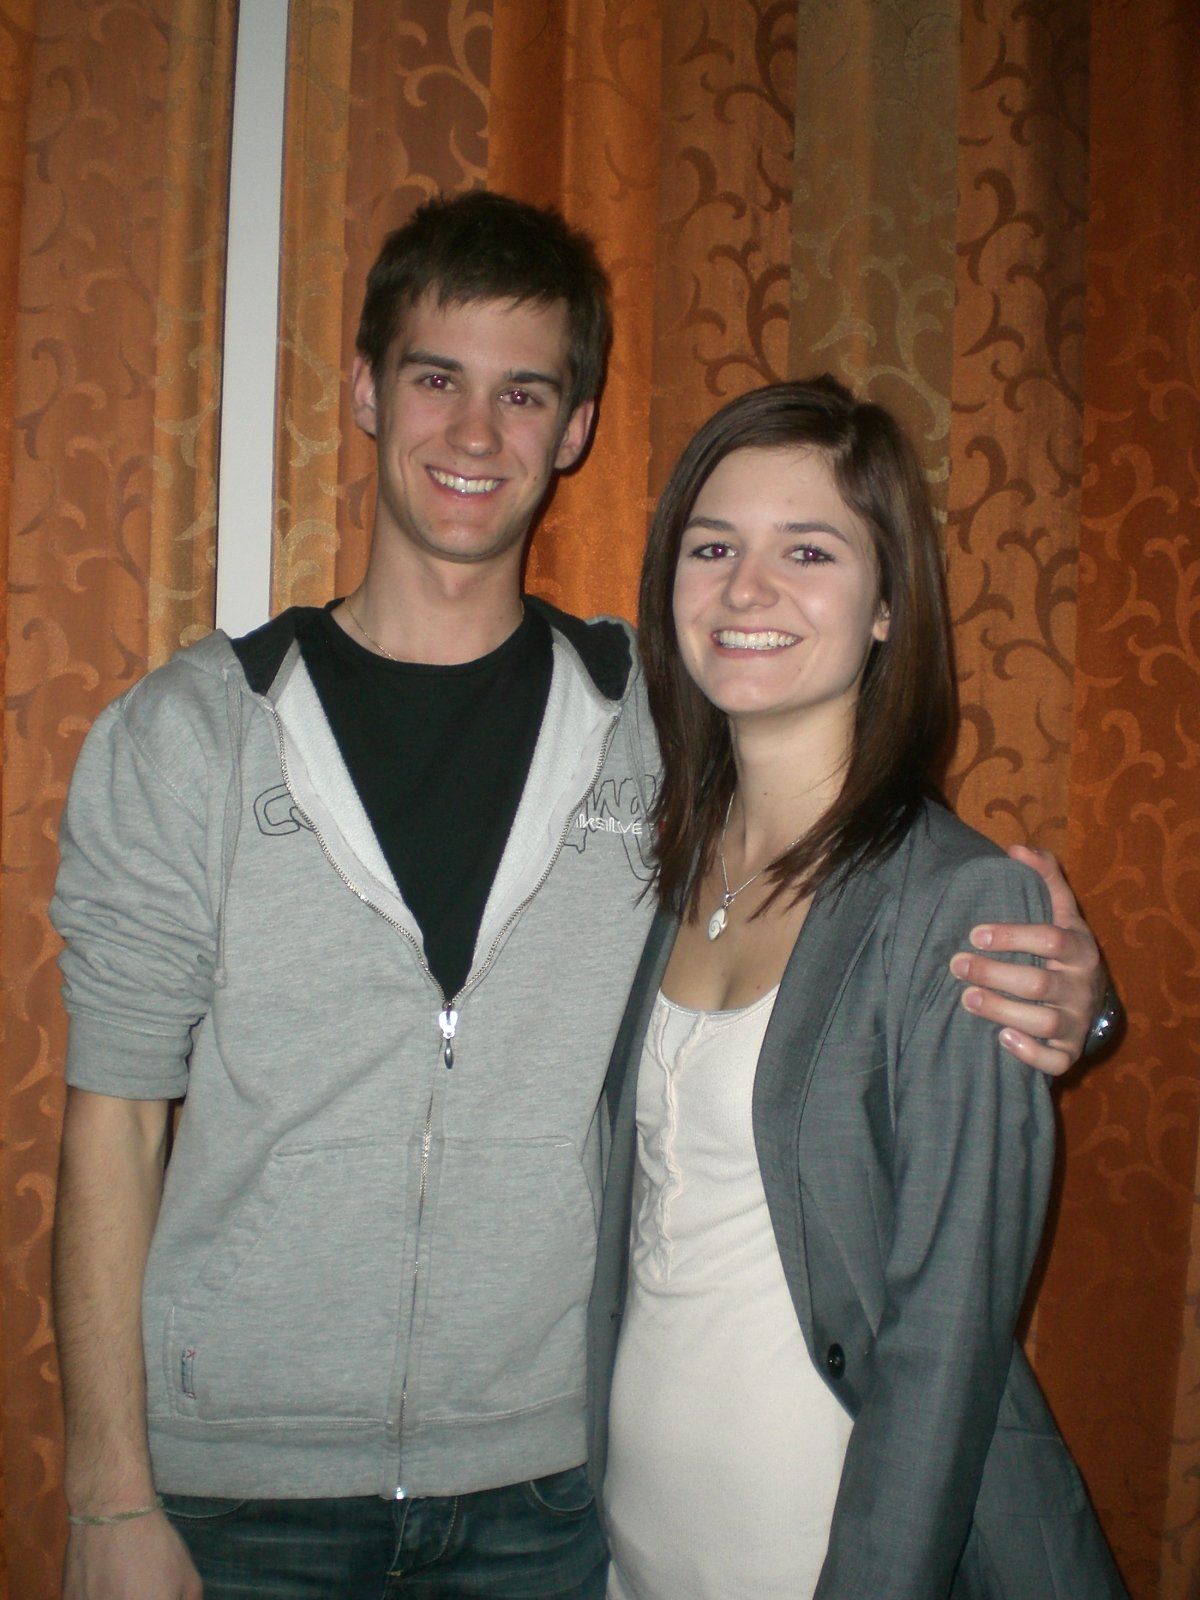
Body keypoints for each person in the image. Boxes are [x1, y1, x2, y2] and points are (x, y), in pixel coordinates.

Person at [51, 193, 1109, 1600]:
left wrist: (1071, 1004)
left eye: (525, 392)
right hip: (244, 1502)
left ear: (576, 427)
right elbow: (115, 1119)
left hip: (543, 1504)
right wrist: (110, 1494)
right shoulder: (193, 734)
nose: (475, 432)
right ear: (365, 391)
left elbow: (876, 885)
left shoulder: (651, 732)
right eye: (436, 378)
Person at [587, 376, 1127, 1599]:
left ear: (888, 605)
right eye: (712, 546)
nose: (747, 589)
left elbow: (946, 1335)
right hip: (634, 1544)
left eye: (809, 550)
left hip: (825, 1552)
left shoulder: (960, 902)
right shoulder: (658, 859)